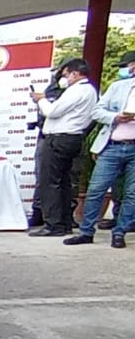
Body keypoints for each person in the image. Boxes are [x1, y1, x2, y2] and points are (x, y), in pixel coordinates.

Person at [65, 50, 135, 249]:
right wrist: (115, 117)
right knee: (96, 189)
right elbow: (97, 111)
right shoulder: (118, 87)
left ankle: (120, 232)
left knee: (131, 194)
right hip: (112, 145)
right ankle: (86, 231)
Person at [29, 58, 98, 237]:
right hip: (73, 138)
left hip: (60, 138)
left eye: (66, 74)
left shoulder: (76, 90)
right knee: (64, 183)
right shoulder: (90, 91)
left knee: (50, 182)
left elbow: (52, 111)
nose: (64, 78)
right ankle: (65, 222)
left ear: (75, 73)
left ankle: (54, 224)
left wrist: (41, 100)